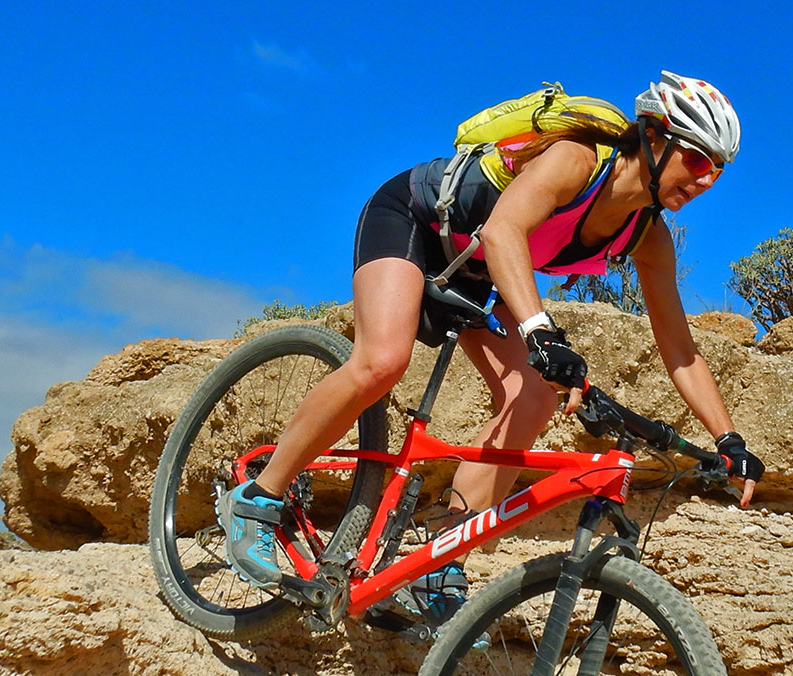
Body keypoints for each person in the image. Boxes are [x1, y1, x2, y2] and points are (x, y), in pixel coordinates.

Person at [219, 71, 764, 624]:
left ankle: (438, 558)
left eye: (716, 172)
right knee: (383, 361)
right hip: (416, 220)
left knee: (532, 399)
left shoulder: (647, 235)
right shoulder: (579, 159)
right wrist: (541, 335)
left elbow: (681, 350)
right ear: (652, 138)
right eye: (697, 161)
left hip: (476, 272)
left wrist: (729, 439)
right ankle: (258, 500)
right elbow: (504, 232)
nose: (704, 182)